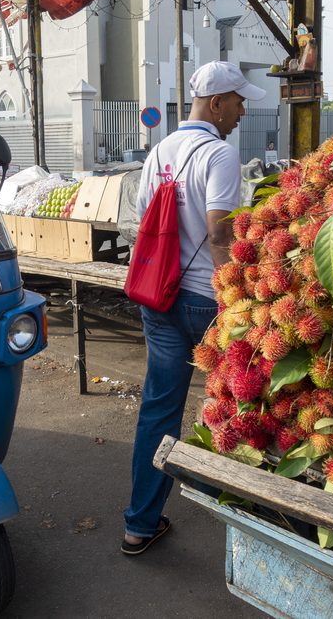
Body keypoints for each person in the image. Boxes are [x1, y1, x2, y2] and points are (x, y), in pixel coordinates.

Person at [122, 61, 266, 555]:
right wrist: (235, 295)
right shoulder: (219, 155)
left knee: (160, 408)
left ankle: (139, 523)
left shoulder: (157, 151)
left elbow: (145, 221)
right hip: (206, 302)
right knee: (233, 405)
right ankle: (251, 527)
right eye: (239, 101)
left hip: (158, 298)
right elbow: (220, 232)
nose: (243, 111)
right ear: (217, 102)